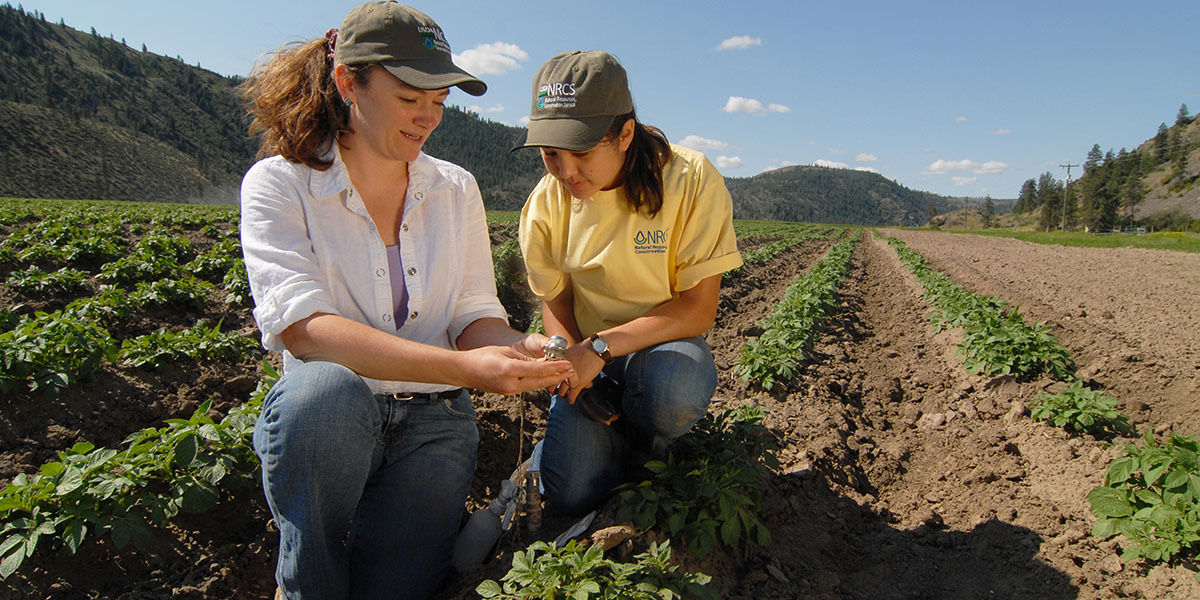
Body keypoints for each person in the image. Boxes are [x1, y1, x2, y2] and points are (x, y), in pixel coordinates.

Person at [238, 3, 575, 598]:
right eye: (409, 97)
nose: (428, 118)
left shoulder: (454, 188)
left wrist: (514, 347)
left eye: (440, 101)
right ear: (348, 81)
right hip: (335, 419)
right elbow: (307, 331)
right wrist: (467, 368)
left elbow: (473, 316)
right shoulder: (281, 183)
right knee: (319, 394)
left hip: (435, 421)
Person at [513, 50, 743, 516]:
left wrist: (598, 350)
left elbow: (698, 309)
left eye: (580, 152)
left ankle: (649, 441)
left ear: (624, 134)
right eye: (551, 154)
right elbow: (556, 303)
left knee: (672, 389)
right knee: (571, 495)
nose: (566, 171)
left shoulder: (690, 178)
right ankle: (602, 435)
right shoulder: (544, 204)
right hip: (587, 355)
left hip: (659, 349)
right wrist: (571, 366)